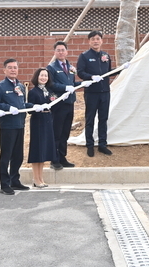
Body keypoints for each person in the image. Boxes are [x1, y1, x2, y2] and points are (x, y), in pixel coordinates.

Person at [0, 58, 38, 195]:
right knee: (6, 155)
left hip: (19, 124)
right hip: (7, 126)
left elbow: (22, 105)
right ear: (4, 70)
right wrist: (8, 108)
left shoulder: (21, 86)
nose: (13, 70)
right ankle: (4, 184)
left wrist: (34, 106)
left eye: (15, 67)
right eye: (10, 67)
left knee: (18, 155)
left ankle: (14, 180)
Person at [46, 41, 84, 169]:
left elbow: (72, 84)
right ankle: (54, 160)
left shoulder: (70, 67)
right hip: (59, 104)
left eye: (63, 50)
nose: (61, 52)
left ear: (67, 52)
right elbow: (50, 84)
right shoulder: (51, 68)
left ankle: (62, 157)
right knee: (57, 133)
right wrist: (64, 88)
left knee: (65, 132)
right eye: (58, 50)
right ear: (55, 52)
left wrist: (84, 83)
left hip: (70, 103)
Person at [77, 30, 114, 157]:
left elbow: (109, 72)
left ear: (101, 41)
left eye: (98, 39)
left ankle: (102, 144)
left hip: (105, 92)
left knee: (103, 119)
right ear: (89, 41)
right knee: (90, 119)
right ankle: (90, 145)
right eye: (93, 39)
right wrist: (91, 77)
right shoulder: (84, 56)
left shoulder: (106, 56)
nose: (95, 41)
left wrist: (122, 69)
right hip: (91, 93)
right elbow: (80, 72)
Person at [27, 68, 57, 188]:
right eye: (41, 75)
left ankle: (41, 178)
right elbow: (29, 109)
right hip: (38, 122)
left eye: (46, 76)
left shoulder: (49, 91)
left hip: (47, 121)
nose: (44, 78)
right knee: (37, 150)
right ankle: (36, 178)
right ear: (37, 77)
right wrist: (36, 107)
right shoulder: (33, 92)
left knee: (44, 151)